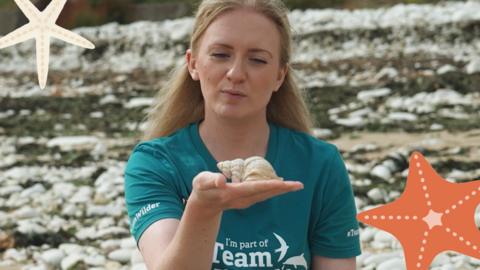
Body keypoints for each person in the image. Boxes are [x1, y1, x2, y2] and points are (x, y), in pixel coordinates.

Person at [124, 0, 361, 269]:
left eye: (258, 60)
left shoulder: (320, 164)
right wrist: (202, 209)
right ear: (193, 64)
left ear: (279, 76)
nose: (236, 73)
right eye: (220, 55)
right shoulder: (154, 164)